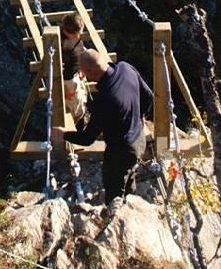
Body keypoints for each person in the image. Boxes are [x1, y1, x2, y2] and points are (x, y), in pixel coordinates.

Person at [60, 49, 153, 206]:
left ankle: (117, 220)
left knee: (114, 191)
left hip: (121, 151)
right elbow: (149, 96)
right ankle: (132, 206)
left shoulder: (105, 100)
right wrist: (140, 116)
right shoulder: (125, 68)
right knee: (129, 177)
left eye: (82, 71)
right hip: (139, 139)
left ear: (90, 72)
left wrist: (63, 134)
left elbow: (88, 138)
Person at [60, 12, 87, 125]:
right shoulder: (64, 44)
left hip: (76, 73)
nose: (80, 35)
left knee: (80, 98)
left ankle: (80, 117)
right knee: (73, 103)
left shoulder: (75, 38)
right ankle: (76, 121)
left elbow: (80, 50)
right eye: (78, 32)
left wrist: (82, 68)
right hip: (68, 79)